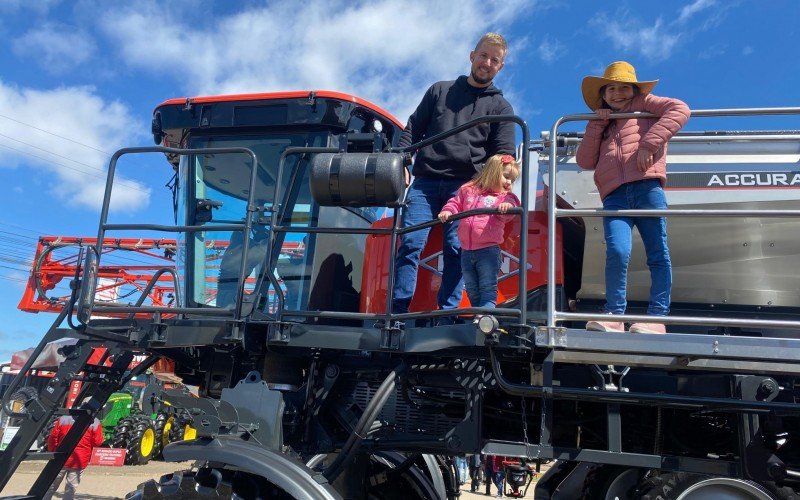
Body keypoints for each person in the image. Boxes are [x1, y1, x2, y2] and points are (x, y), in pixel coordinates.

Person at [392, 32, 516, 326]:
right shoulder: (439, 91)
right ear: (472, 56)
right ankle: (396, 314)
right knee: (409, 243)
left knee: (457, 249)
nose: (487, 63)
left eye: (494, 60)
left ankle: (447, 315)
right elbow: (412, 129)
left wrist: (491, 189)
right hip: (424, 182)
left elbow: (503, 156)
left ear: (500, 67)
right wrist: (402, 162)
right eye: (483, 55)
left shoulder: (501, 108)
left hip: (467, 189)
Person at [575, 61, 690, 334]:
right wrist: (596, 125)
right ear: (602, 94)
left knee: (657, 254)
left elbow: (680, 109)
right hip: (614, 196)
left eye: (624, 87)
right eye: (611, 88)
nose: (617, 93)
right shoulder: (601, 122)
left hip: (647, 187)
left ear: (634, 89)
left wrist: (649, 144)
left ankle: (656, 319)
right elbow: (584, 160)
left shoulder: (646, 103)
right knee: (616, 251)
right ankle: (615, 315)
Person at [438, 154, 520, 319]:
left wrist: (507, 207)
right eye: (506, 177)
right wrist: (448, 211)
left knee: (488, 287)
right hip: (466, 251)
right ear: (492, 171)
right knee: (472, 289)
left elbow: (513, 205)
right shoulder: (468, 189)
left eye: (512, 180)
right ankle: (481, 317)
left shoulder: (505, 197)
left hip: (488, 251)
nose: (509, 183)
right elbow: (455, 202)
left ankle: (485, 317)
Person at [43, 415, 104, 500]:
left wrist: (53, 452)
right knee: (70, 489)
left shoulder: (63, 419)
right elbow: (98, 442)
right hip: (80, 459)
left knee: (50, 486)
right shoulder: (95, 422)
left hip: (60, 458)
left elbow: (53, 438)